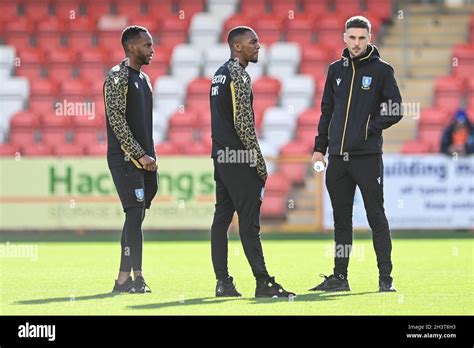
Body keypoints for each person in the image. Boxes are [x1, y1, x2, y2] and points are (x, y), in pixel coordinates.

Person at [310, 16, 402, 292]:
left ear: (370, 38)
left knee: (376, 217)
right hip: (337, 159)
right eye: (352, 37)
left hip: (367, 158)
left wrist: (368, 128)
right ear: (344, 37)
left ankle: (385, 279)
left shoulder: (382, 71)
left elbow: (395, 108)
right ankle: (340, 278)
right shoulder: (335, 70)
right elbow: (327, 112)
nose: (357, 43)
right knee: (341, 221)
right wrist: (319, 148)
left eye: (362, 38)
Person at [209, 26, 295, 298]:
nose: (258, 46)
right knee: (249, 224)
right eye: (252, 42)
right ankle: (263, 282)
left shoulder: (218, 75)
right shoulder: (238, 75)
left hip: (221, 157)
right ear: (237, 46)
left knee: (221, 220)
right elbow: (244, 126)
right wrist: (259, 164)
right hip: (239, 160)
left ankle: (223, 282)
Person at [104, 25, 157, 294]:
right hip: (125, 160)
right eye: (147, 45)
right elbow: (117, 121)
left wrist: (151, 155)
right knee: (134, 213)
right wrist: (139, 154)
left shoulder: (145, 80)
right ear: (131, 47)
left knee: (134, 217)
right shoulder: (117, 77)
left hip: (146, 159)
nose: (152, 50)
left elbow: (144, 123)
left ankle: (122, 280)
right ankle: (137, 279)